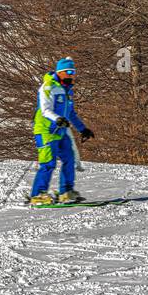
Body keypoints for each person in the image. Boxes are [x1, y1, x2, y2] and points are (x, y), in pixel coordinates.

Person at [29, 57, 94, 205]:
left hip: (60, 131)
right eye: (69, 72)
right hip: (46, 130)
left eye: (73, 72)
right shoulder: (48, 86)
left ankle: (66, 192)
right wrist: (57, 119)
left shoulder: (67, 90)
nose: (72, 75)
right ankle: (37, 195)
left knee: (69, 159)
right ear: (60, 72)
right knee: (48, 163)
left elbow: (70, 113)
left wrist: (83, 129)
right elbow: (45, 110)